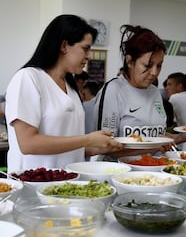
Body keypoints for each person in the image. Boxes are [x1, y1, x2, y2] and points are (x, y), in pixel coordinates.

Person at [4, 14, 123, 173]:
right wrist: (88, 139)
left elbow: (69, 144)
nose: (88, 56)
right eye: (85, 48)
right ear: (64, 46)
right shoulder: (28, 78)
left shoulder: (70, 86)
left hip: (67, 183)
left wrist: (100, 148)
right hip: (33, 183)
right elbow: (27, 143)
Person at [93, 24, 186, 159]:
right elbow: (103, 147)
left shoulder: (154, 92)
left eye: (159, 65)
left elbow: (156, 137)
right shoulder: (114, 90)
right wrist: (152, 147)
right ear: (129, 61)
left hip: (155, 172)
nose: (154, 72)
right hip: (121, 173)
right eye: (148, 65)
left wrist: (183, 136)